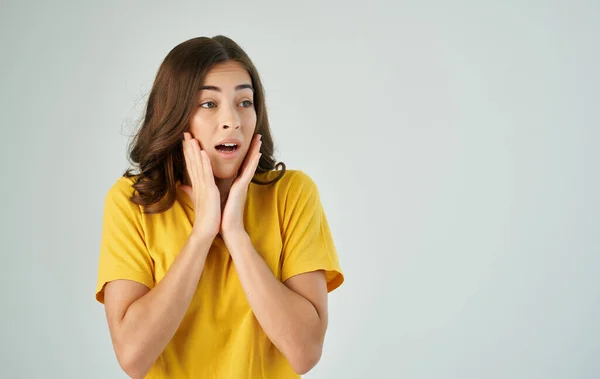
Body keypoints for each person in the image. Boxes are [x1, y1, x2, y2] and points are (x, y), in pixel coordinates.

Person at [94, 35, 344, 378]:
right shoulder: (132, 201)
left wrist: (236, 236)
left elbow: (305, 352)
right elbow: (133, 357)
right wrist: (201, 234)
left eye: (244, 101)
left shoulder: (292, 194)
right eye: (209, 104)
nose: (233, 120)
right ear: (176, 115)